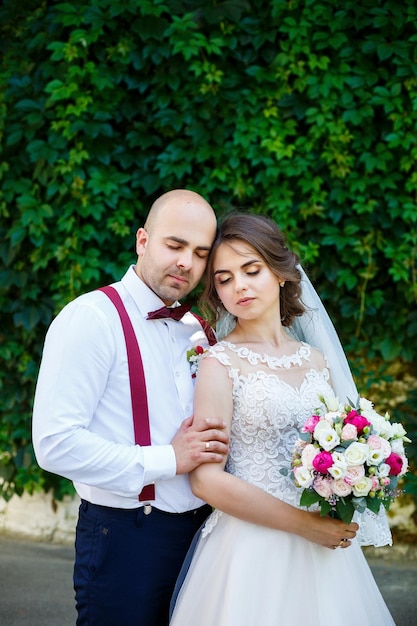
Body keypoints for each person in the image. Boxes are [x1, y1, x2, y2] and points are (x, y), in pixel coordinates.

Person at [170, 213, 395, 626]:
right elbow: (206, 479)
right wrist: (305, 525)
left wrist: (350, 476)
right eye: (223, 278)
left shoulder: (316, 361)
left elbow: (338, 447)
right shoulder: (220, 364)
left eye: (251, 270)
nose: (238, 285)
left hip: (323, 549)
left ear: (280, 273)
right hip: (250, 549)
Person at [32, 189, 230, 626]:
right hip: (125, 538)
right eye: (174, 245)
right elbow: (55, 444)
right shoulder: (90, 318)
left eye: (200, 253)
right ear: (143, 241)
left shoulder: (199, 332)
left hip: (204, 539)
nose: (186, 263)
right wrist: (169, 459)